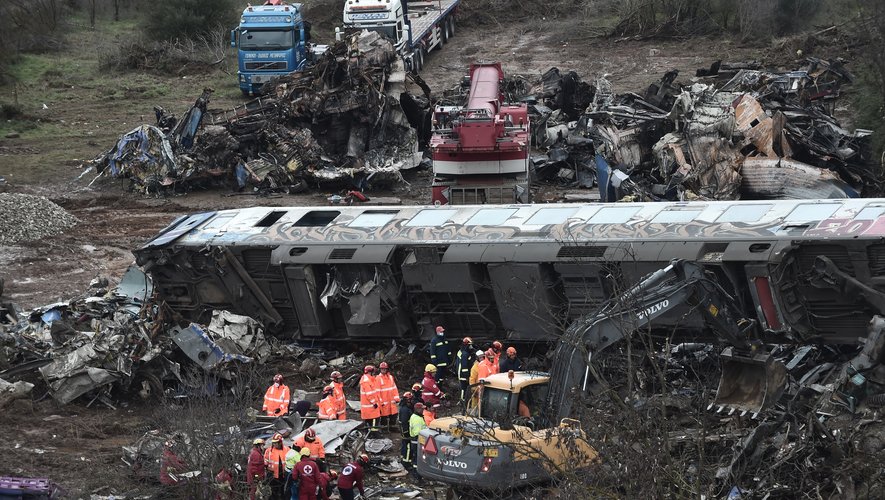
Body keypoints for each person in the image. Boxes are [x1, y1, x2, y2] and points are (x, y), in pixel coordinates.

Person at [264, 433, 291, 500]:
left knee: (283, 491)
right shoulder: (269, 450)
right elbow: (265, 461)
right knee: (274, 492)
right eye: (273, 443)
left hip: (283, 474)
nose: (274, 444)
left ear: (280, 442)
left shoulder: (287, 449)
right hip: (272, 475)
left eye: (276, 443)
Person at [376, 361, 400, 431]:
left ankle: (392, 428)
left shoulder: (390, 377)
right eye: (382, 369)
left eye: (385, 369)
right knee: (384, 416)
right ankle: (384, 428)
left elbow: (394, 388)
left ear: (387, 369)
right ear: (380, 369)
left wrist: (396, 398)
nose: (383, 370)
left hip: (392, 401)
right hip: (384, 402)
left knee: (394, 414)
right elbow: (377, 392)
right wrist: (380, 401)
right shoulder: (378, 378)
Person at [359, 365, 382, 432]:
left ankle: (368, 433)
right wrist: (374, 402)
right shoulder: (366, 381)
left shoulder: (367, 379)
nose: (374, 373)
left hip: (368, 406)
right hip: (370, 406)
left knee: (368, 421)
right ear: (370, 372)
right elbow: (369, 394)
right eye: (373, 372)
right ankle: (374, 433)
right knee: (375, 419)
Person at [409, 403, 428, 479]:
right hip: (417, 441)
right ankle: (417, 475)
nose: (423, 410)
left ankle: (416, 474)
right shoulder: (417, 419)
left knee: (416, 458)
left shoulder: (416, 417)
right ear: (418, 409)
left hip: (416, 441)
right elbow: (418, 433)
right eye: (422, 409)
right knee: (417, 458)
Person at [397, 391, 415, 468]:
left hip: (405, 429)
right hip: (406, 429)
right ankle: (406, 462)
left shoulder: (405, 407)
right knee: (408, 445)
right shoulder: (405, 409)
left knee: (405, 444)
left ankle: (404, 458)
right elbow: (404, 421)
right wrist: (406, 431)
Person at [454, 337, 474, 402]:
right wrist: (466, 376)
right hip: (463, 375)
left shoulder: (461, 351)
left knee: (464, 387)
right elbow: (464, 366)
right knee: (464, 388)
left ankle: (464, 400)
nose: (471, 347)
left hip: (461, 373)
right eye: (470, 345)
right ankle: (463, 401)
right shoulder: (465, 354)